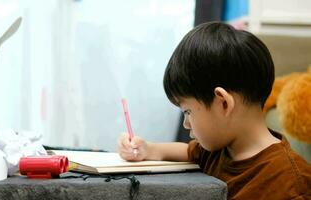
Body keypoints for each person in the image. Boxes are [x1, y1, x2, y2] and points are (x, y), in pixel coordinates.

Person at [117, 22, 311, 199]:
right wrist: (147, 149)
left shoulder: (292, 184)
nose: (186, 124)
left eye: (188, 112)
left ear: (223, 103)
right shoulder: (218, 149)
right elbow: (187, 151)